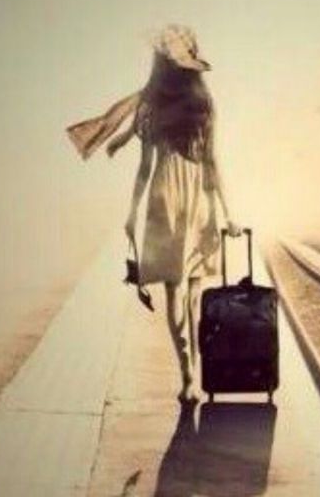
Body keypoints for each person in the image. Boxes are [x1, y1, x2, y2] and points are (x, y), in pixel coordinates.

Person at [67, 25, 241, 404]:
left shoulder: (153, 105)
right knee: (192, 293)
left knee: (176, 293)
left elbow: (146, 168)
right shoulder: (204, 103)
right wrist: (229, 213)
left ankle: (188, 378)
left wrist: (132, 214)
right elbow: (212, 162)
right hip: (197, 199)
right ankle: (192, 375)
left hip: (165, 198)